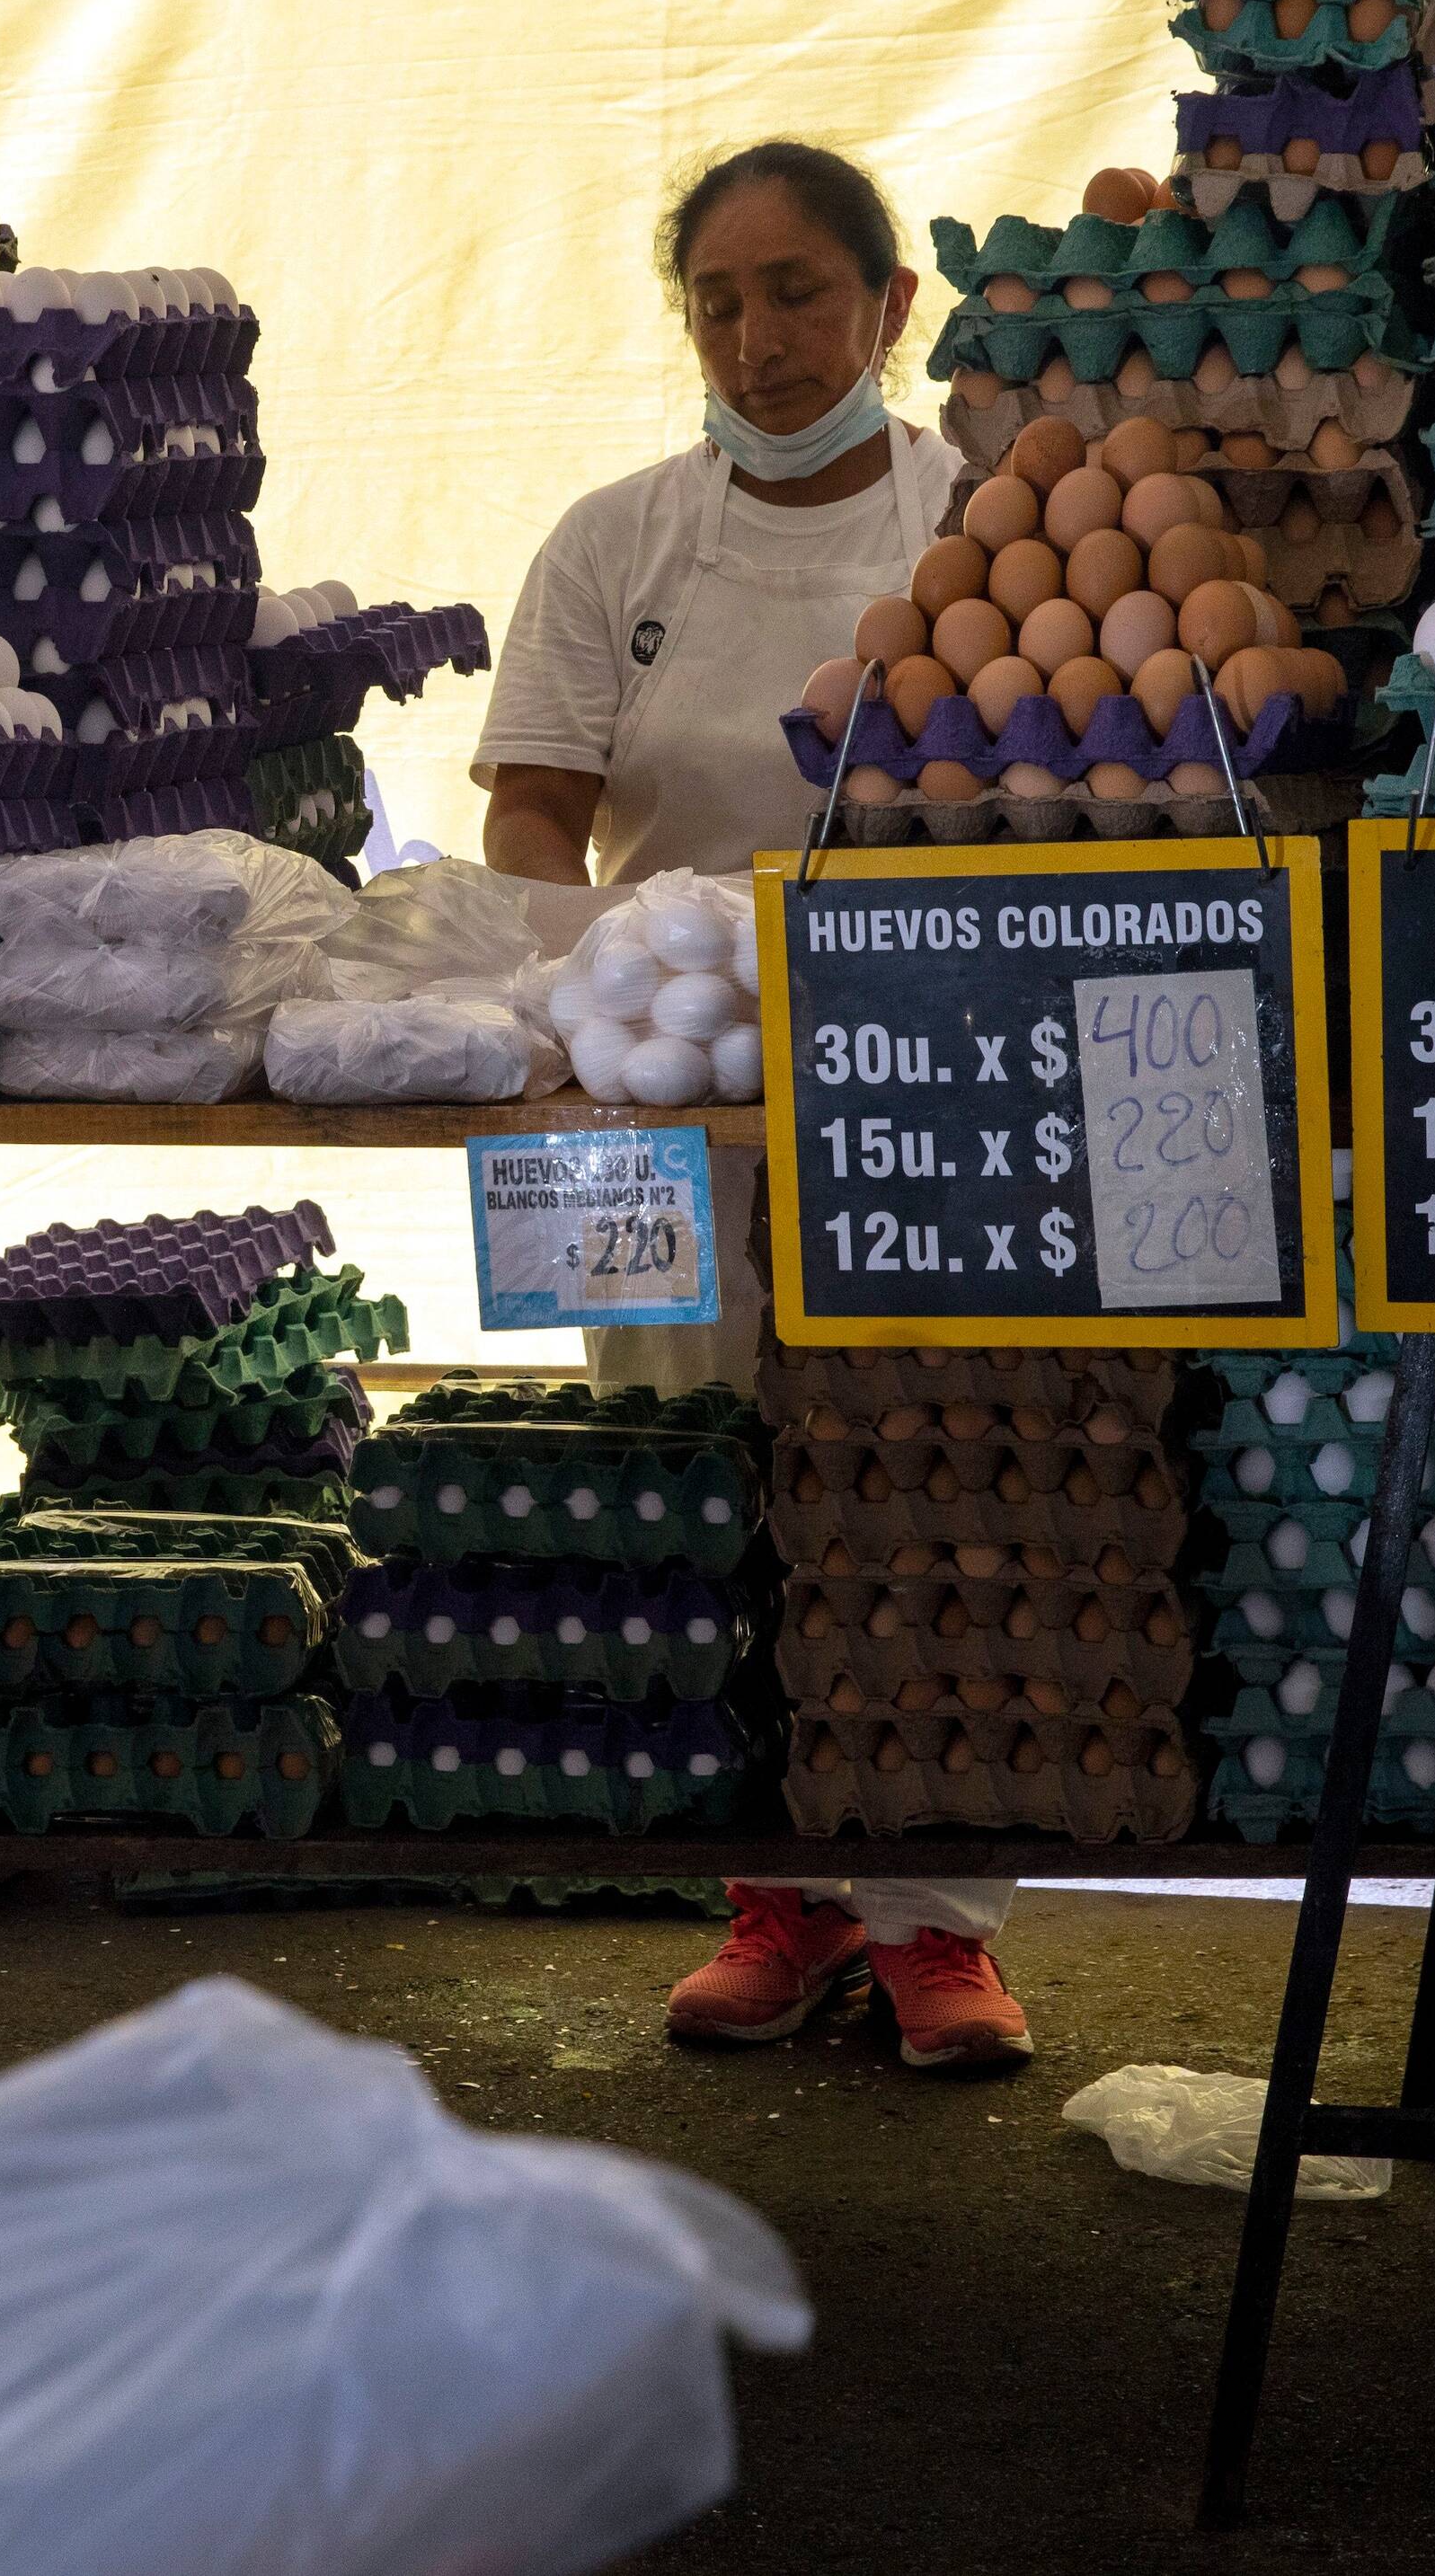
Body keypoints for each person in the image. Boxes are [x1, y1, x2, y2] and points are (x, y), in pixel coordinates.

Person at [469, 143, 1031, 2076]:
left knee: (937, 1475)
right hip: (656, 1094)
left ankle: (934, 1925)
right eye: (717, 298)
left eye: (801, 291)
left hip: (931, 1073)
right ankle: (767, 1898)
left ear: (893, 309)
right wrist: (586, 977)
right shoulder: (615, 538)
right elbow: (533, 797)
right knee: (688, 1474)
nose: (759, 336)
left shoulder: (992, 526)